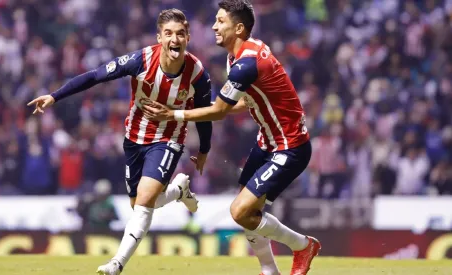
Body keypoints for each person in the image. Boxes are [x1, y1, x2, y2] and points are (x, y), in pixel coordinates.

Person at [27, 9, 212, 275]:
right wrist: (55, 96)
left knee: (146, 201)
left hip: (168, 139)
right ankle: (177, 191)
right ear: (159, 37)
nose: (175, 39)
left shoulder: (198, 74)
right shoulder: (140, 60)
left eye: (180, 33)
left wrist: (204, 149)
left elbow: (205, 114)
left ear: (188, 38)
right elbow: (95, 76)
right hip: (134, 138)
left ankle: (117, 263)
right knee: (139, 205)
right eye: (168, 33)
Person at [143, 1, 320, 274]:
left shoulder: (245, 64)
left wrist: (173, 114)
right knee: (247, 213)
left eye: (220, 21)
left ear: (238, 28)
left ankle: (302, 245)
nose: (214, 26)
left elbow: (219, 110)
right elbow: (244, 103)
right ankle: (269, 271)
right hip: (268, 141)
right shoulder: (239, 55)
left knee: (239, 212)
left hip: (290, 146)